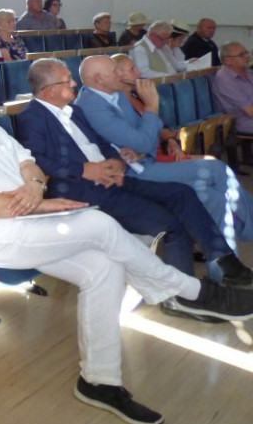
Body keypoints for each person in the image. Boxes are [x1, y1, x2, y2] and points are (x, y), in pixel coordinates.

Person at [0, 63, 253, 424]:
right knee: (97, 223)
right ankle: (189, 291)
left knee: (105, 269)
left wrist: (35, 187)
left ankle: (99, 381)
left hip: (30, 224)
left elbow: (29, 162)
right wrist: (42, 202)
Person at [15, 59, 252, 288]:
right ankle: (184, 294)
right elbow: (36, 158)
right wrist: (84, 170)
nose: (74, 84)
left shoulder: (73, 111)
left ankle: (223, 259)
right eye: (67, 81)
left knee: (183, 193)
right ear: (49, 90)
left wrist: (117, 162)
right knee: (172, 222)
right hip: (85, 188)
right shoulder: (32, 117)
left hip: (115, 177)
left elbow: (100, 142)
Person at [75, 54, 253, 251]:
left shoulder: (116, 95)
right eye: (114, 71)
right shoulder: (92, 106)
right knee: (217, 169)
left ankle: (223, 264)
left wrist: (143, 150)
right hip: (133, 173)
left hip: (144, 161)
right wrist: (151, 106)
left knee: (213, 195)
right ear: (99, 79)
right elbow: (144, 138)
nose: (119, 74)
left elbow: (149, 136)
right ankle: (245, 235)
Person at [213, 42, 253, 135]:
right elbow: (250, 111)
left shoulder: (249, 72)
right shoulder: (224, 79)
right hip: (243, 123)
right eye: (242, 55)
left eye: (246, 52)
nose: (247, 56)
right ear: (228, 60)